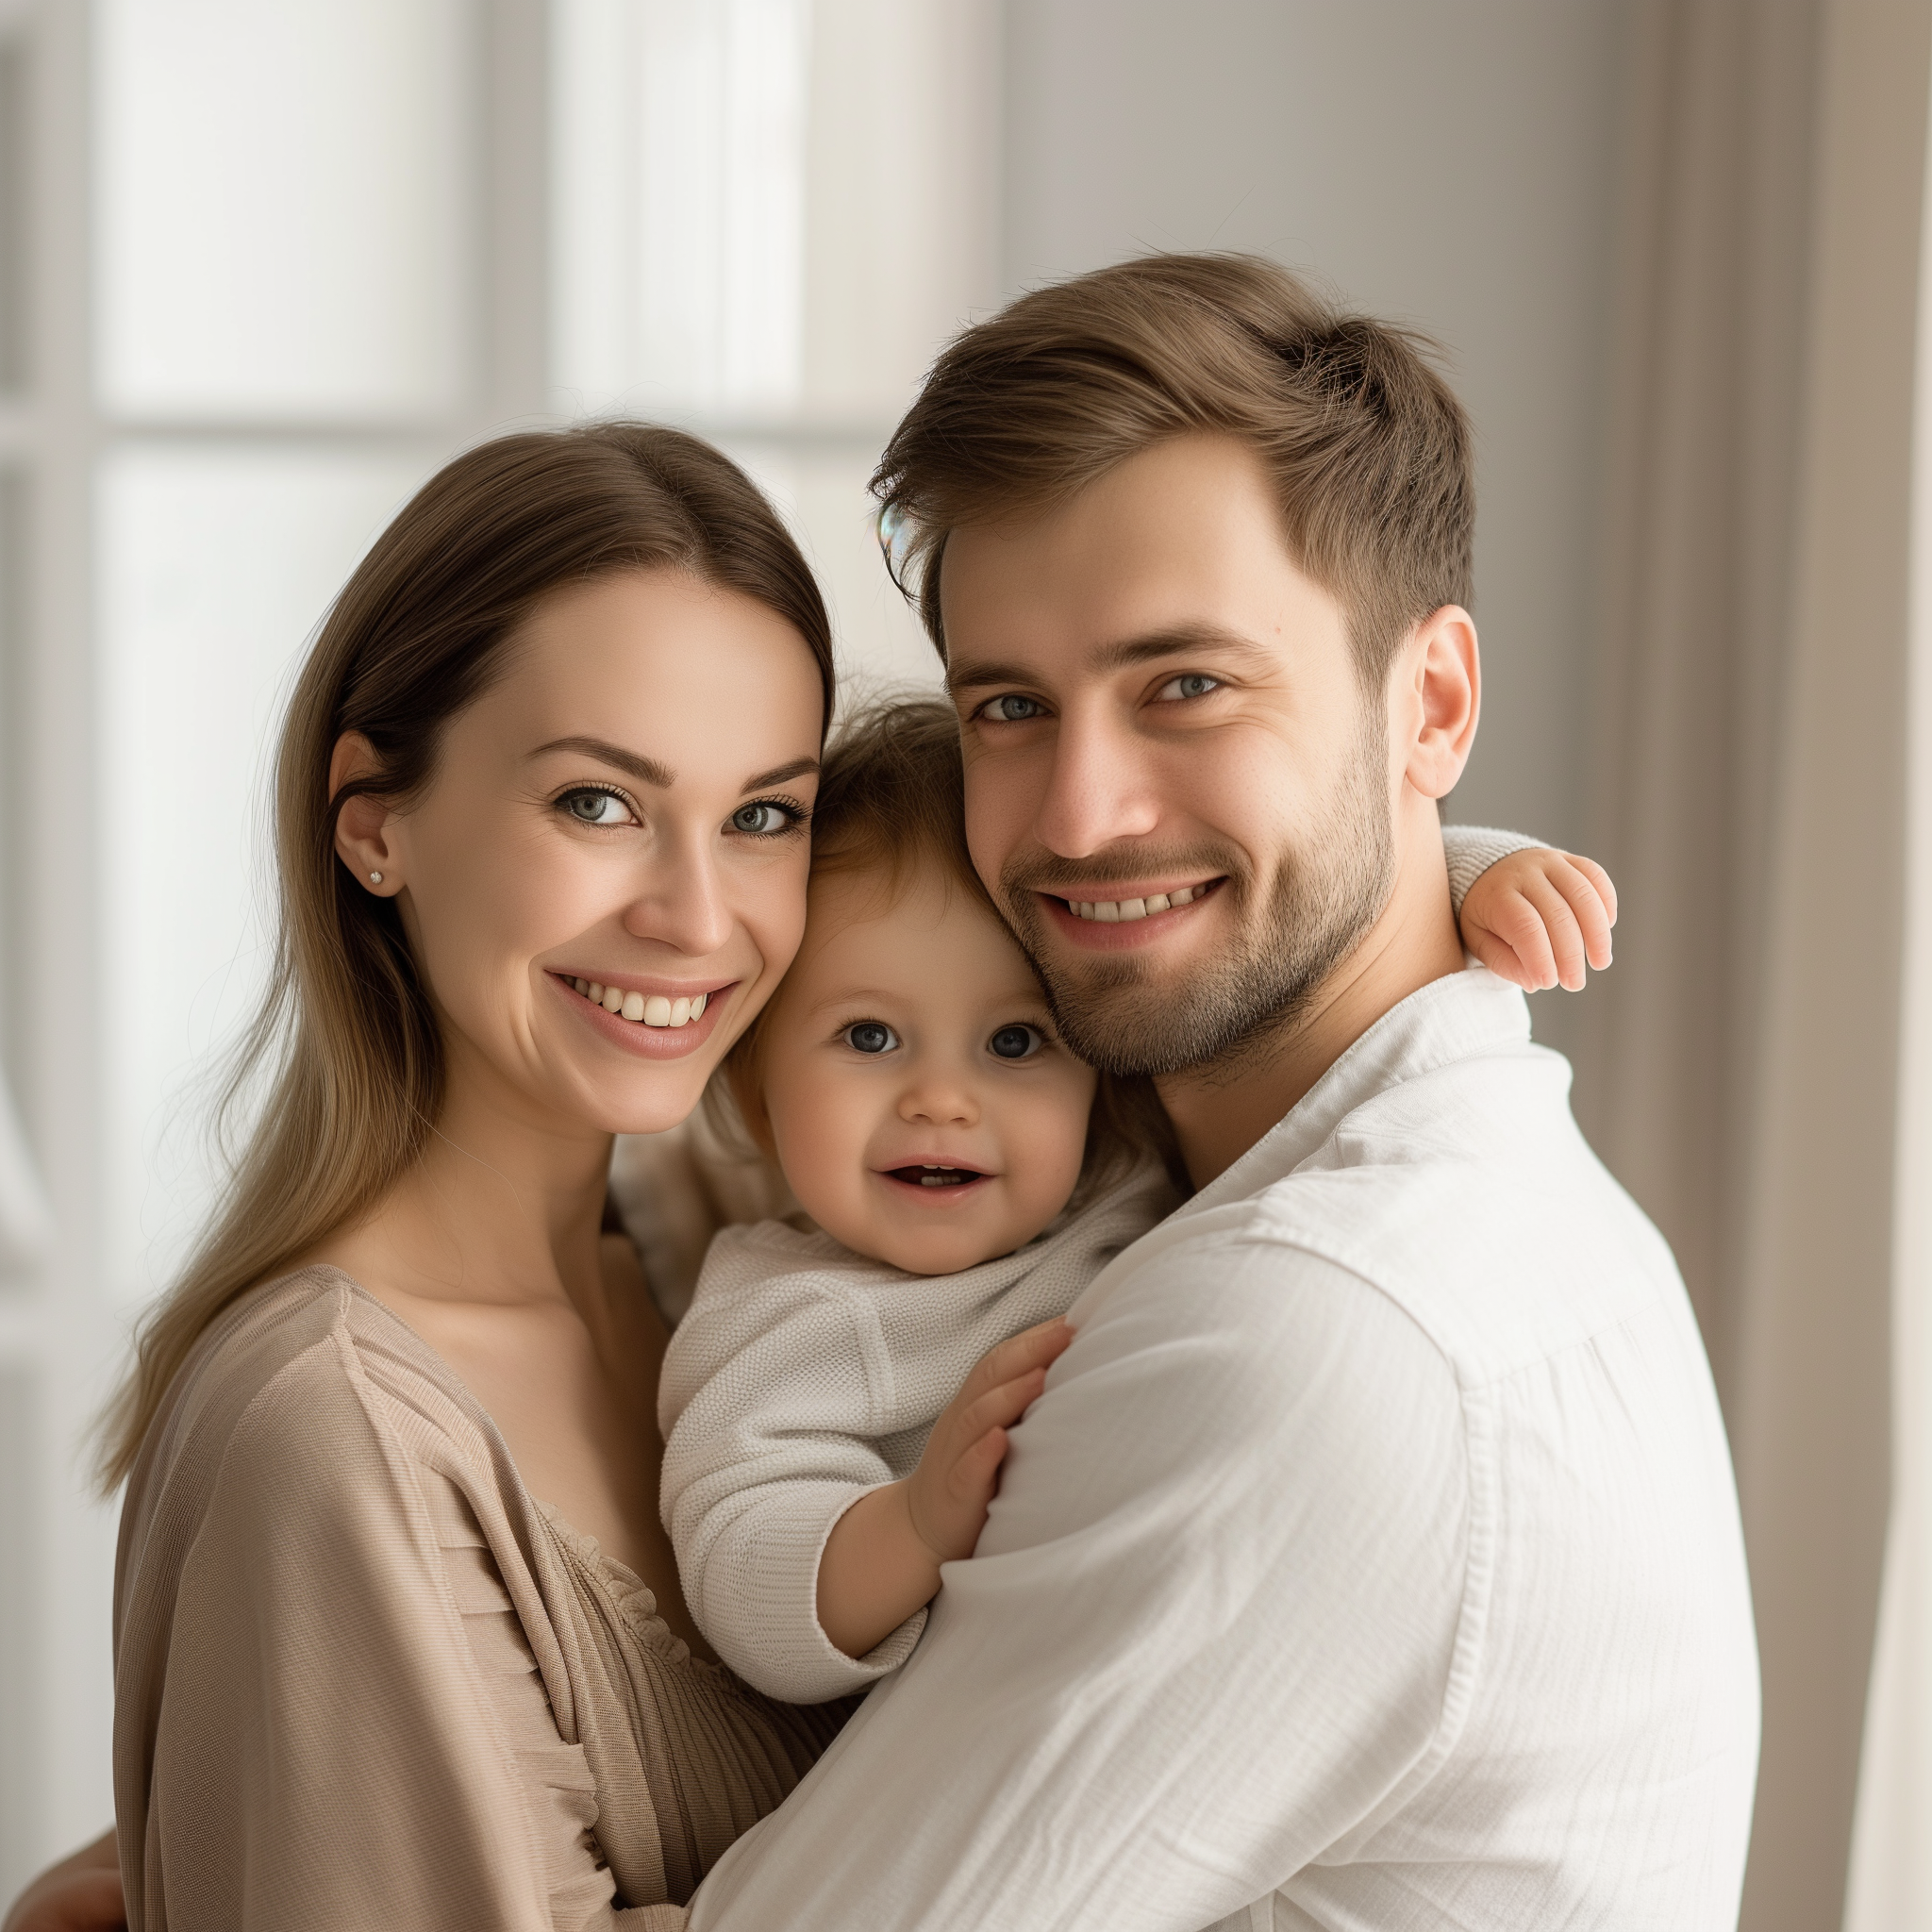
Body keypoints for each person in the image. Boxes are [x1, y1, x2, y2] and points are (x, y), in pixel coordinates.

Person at [672, 255, 1759, 1930]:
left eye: (1184, 684)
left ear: (1433, 703)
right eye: (1009, 708)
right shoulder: (1441, 1193)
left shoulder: (1315, 1327)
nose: (1079, 812)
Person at [38, 422, 859, 1932]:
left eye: (762, 817)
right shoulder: (333, 1432)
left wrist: (1450, 879)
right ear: (375, 826)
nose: (697, 917)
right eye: (597, 803)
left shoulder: (737, 1247)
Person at [657, 695, 1610, 1703]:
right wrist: (911, 1521)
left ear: (1092, 1078)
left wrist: (1471, 872)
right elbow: (741, 1569)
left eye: (1015, 1042)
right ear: (751, 1077)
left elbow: (1279, 949)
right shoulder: (775, 1315)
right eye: (868, 1036)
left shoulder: (1118, 1177)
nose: (940, 1100)